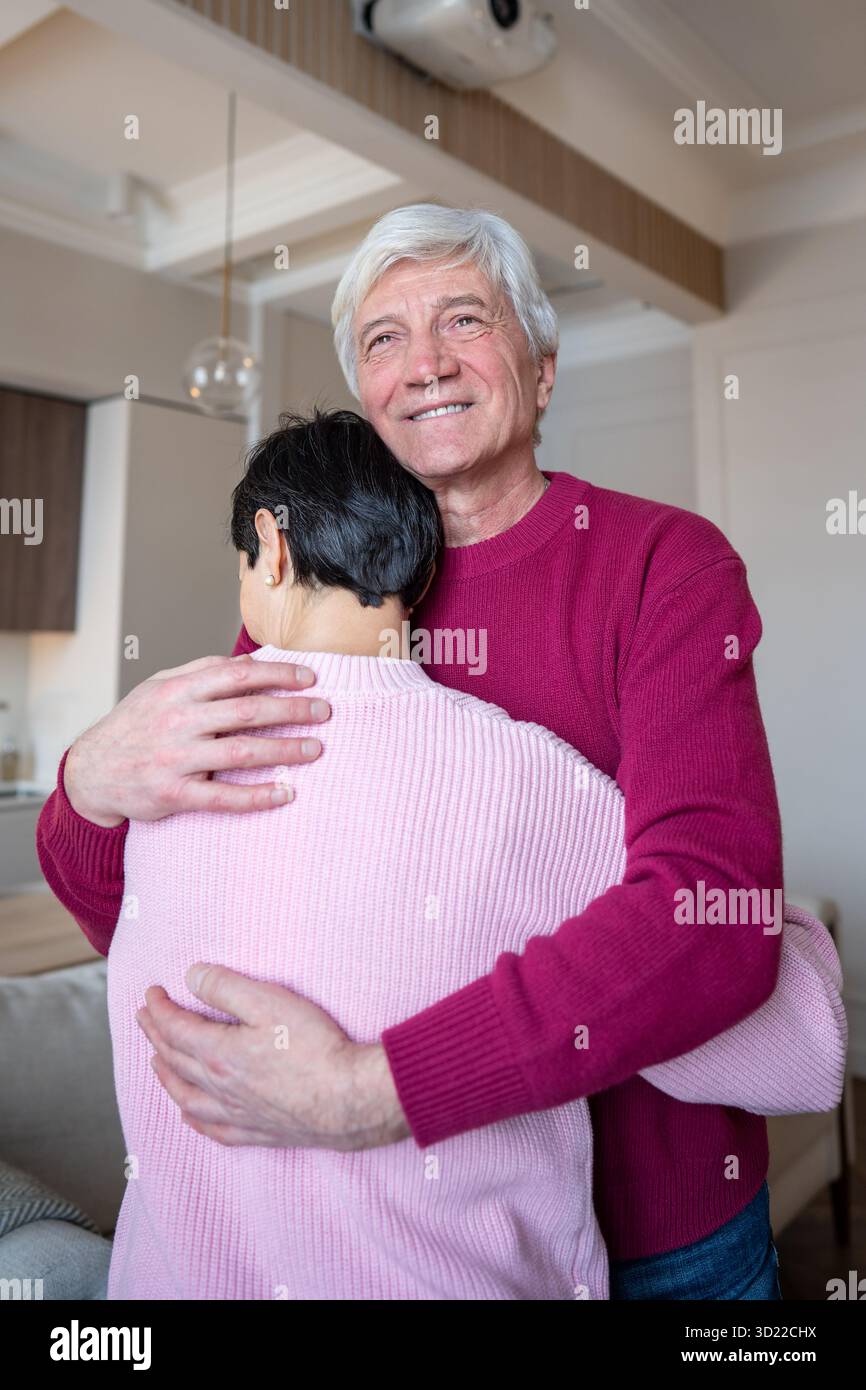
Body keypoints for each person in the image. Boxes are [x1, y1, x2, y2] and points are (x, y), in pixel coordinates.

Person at [38, 204, 803, 1298]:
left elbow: (711, 912)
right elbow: (176, 901)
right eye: (383, 339)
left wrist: (372, 1087)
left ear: (539, 372)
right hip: (403, 1237)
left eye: (461, 319)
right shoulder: (302, 613)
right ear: (365, 393)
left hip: (661, 1230)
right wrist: (86, 782)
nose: (425, 363)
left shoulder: (662, 565)